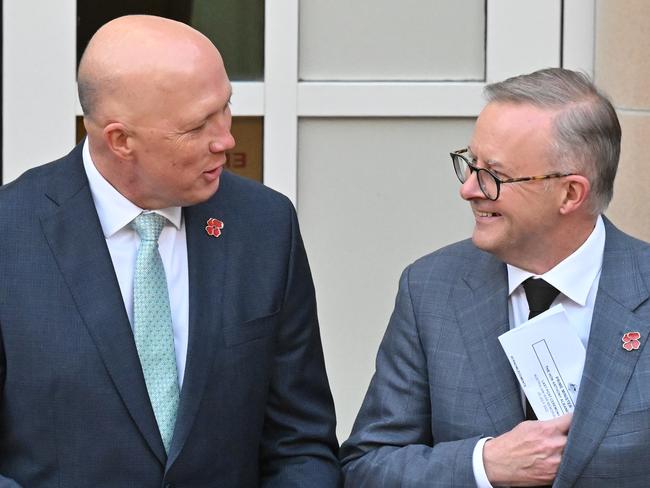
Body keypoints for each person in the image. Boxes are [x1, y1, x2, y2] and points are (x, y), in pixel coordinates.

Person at [0, 15, 340, 487]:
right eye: (198, 125)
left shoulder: (264, 226)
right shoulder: (10, 235)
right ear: (121, 140)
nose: (226, 139)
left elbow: (300, 443)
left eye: (225, 107)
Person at [341, 68, 650, 487]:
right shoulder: (432, 288)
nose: (468, 189)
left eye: (493, 175)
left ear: (570, 193)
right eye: (470, 164)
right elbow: (366, 467)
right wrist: (483, 465)